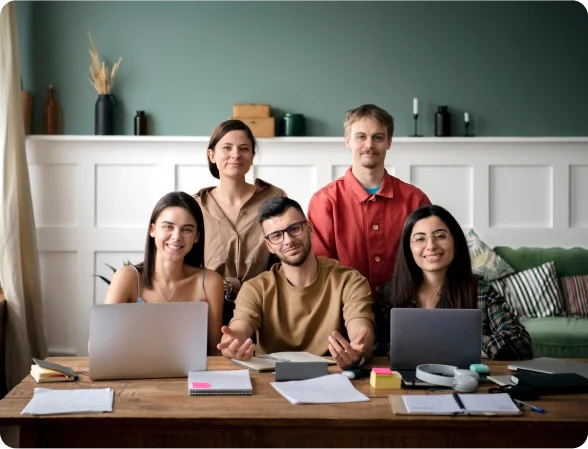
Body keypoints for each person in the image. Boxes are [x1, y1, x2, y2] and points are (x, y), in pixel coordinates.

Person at [217, 197, 375, 370]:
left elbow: (361, 335)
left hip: (330, 376)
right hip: (271, 380)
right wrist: (233, 344)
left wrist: (356, 352)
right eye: (277, 235)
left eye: (294, 229)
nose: (288, 241)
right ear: (269, 246)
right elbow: (238, 329)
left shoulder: (349, 280)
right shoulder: (256, 288)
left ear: (309, 228)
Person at [308, 104, 431, 299]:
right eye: (361, 137)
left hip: (405, 304)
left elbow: (427, 258)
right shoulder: (325, 201)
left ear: (389, 142)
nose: (369, 145)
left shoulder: (415, 199)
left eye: (378, 137)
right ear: (347, 140)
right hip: (345, 308)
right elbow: (321, 267)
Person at [379, 204, 533, 360]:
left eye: (440, 236)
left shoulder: (481, 291)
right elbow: (376, 345)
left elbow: (521, 342)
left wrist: (449, 345)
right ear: (408, 248)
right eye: (420, 239)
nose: (431, 246)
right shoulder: (391, 293)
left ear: (456, 242)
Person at [105, 192, 224, 356]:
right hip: (135, 376)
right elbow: (100, 346)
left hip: (191, 377)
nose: (176, 237)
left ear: (196, 237)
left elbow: (214, 353)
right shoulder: (128, 277)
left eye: (187, 230)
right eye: (168, 226)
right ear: (152, 230)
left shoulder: (210, 282)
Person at [194, 119, 286, 325]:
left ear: (252, 156)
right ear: (212, 155)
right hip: (208, 308)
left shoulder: (275, 198)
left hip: (264, 307)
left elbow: (285, 254)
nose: (236, 155)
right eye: (227, 148)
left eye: (244, 148)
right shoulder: (197, 206)